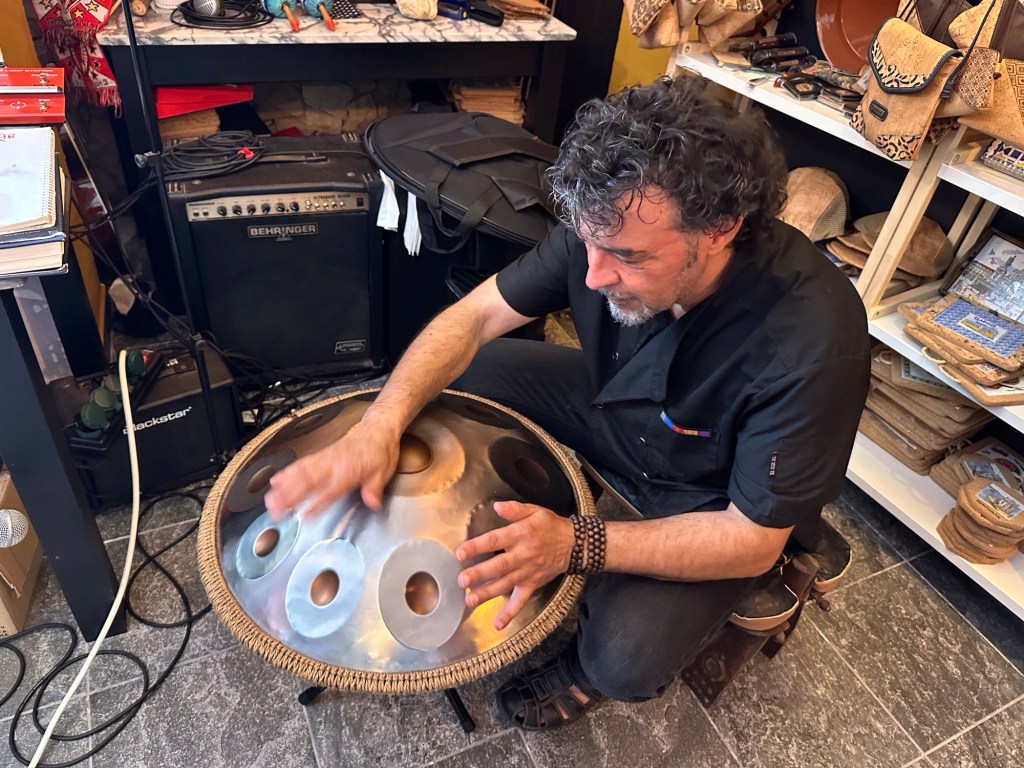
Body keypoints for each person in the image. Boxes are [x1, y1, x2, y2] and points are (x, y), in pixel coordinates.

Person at [265, 74, 871, 730]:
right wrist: (381, 421)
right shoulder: (608, 223)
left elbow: (751, 542)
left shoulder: (815, 339)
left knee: (625, 657)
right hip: (623, 409)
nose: (592, 276)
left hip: (713, 495)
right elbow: (469, 321)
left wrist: (575, 542)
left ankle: (580, 672)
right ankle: (536, 506)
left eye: (627, 257)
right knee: (476, 367)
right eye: (587, 243)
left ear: (722, 228)